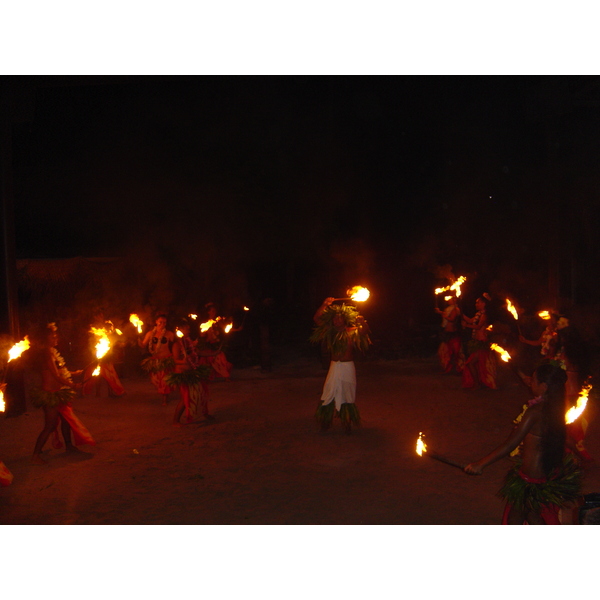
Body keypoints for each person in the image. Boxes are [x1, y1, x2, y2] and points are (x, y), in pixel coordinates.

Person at [464, 363, 583, 524]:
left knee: (526, 517)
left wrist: (481, 464)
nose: (529, 382)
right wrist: (579, 453)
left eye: (533, 380)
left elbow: (510, 444)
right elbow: (565, 438)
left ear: (544, 386)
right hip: (543, 474)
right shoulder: (555, 409)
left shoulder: (535, 412)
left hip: (531, 479)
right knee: (524, 516)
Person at [30, 323, 96, 465]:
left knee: (66, 421)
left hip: (59, 392)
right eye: (52, 335)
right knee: (50, 425)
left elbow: (60, 371)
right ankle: (35, 454)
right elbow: (55, 376)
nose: (56, 337)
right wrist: (73, 385)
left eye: (55, 335)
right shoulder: (46, 353)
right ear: (45, 338)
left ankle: (69, 445)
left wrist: (73, 373)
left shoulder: (52, 351)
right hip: (50, 394)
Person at [310, 298, 371, 433]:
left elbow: (364, 332)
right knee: (329, 391)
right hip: (334, 366)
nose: (336, 321)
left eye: (339, 318)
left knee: (347, 392)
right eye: (334, 319)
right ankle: (326, 420)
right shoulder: (330, 332)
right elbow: (317, 318)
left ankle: (347, 421)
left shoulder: (352, 331)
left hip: (347, 366)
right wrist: (325, 304)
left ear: (344, 319)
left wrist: (363, 322)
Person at [553, 315, 592, 461]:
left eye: (559, 334)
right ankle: (572, 457)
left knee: (563, 429)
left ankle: (582, 457)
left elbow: (558, 369)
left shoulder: (568, 356)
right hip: (570, 394)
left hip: (568, 396)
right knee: (565, 429)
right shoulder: (573, 353)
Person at [167, 319, 214, 425]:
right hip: (183, 373)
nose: (189, 330)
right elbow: (175, 360)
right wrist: (182, 361)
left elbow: (198, 353)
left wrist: (214, 353)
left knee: (201, 394)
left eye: (189, 328)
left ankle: (205, 413)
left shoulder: (189, 342)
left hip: (194, 370)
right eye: (187, 329)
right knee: (185, 399)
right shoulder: (176, 345)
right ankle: (176, 420)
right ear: (180, 330)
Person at [82, 309, 125, 397]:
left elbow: (111, 336)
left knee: (110, 373)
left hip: (106, 352)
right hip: (96, 352)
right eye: (99, 316)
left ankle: (112, 392)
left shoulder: (107, 324)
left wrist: (118, 342)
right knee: (96, 374)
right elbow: (91, 340)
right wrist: (94, 351)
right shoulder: (93, 327)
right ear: (95, 317)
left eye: (102, 316)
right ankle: (95, 392)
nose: (101, 318)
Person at [461, 294, 497, 389]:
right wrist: (460, 313)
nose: (476, 304)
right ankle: (479, 383)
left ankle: (477, 383)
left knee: (471, 363)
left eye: (478, 302)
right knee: (477, 364)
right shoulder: (478, 314)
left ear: (483, 303)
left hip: (482, 342)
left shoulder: (484, 315)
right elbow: (470, 320)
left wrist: (466, 326)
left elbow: (478, 326)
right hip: (477, 342)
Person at [139, 313, 176, 405]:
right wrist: (138, 340)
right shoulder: (150, 334)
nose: (162, 324)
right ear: (156, 322)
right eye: (160, 322)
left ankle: (165, 399)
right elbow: (143, 345)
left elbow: (176, 344)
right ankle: (164, 394)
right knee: (156, 380)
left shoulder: (169, 334)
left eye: (164, 322)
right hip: (155, 360)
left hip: (166, 359)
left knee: (165, 380)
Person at [199, 302, 233, 380]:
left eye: (215, 311)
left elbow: (225, 329)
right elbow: (202, 335)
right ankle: (209, 377)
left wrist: (233, 328)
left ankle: (225, 376)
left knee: (221, 360)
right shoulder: (205, 323)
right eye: (212, 311)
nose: (214, 312)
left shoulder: (218, 321)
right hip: (209, 344)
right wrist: (203, 334)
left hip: (217, 343)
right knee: (209, 361)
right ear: (208, 312)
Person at [435, 294, 464, 374]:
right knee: (444, 351)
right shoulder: (449, 309)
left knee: (455, 352)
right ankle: (448, 368)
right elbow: (446, 315)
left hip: (452, 333)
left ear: (454, 300)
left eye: (450, 299)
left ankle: (457, 369)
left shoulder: (455, 309)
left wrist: (443, 315)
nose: (448, 300)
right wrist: (440, 312)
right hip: (447, 332)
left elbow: (451, 319)